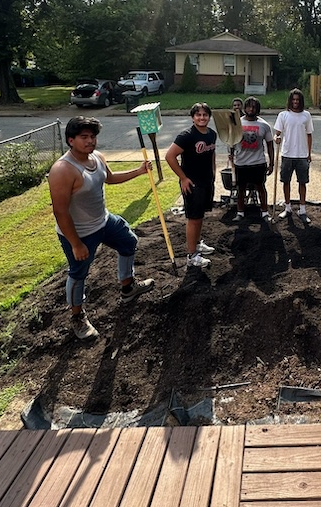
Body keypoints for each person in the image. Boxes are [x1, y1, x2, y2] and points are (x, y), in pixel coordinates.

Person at [48, 116, 155, 341]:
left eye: (93, 136)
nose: (90, 141)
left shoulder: (97, 157)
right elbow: (60, 212)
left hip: (104, 221)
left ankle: (128, 287)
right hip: (79, 233)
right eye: (84, 137)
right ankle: (77, 316)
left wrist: (139, 171)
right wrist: (76, 243)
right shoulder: (62, 170)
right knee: (79, 273)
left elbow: (110, 178)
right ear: (70, 140)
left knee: (129, 242)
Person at [165, 103, 217, 269]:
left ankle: (197, 244)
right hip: (192, 183)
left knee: (200, 216)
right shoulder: (186, 136)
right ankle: (192, 255)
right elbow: (170, 156)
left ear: (209, 117)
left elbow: (212, 154)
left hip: (206, 181)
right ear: (193, 117)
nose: (202, 118)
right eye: (198, 115)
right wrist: (183, 178)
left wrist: (213, 173)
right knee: (193, 218)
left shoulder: (212, 134)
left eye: (205, 115)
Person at [273, 88, 314, 225]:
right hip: (287, 153)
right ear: (290, 101)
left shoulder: (306, 115)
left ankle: (302, 210)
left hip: (302, 155)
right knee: (286, 181)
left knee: (302, 182)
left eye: (297, 100)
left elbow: (309, 134)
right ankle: (288, 207)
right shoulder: (283, 115)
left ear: (301, 101)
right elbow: (277, 133)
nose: (295, 102)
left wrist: (309, 153)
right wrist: (276, 138)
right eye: (293, 100)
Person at [233, 96, 274, 220]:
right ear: (244, 108)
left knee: (261, 187)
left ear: (258, 109)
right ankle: (240, 213)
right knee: (241, 189)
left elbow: (270, 145)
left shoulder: (264, 125)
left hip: (258, 163)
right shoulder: (237, 123)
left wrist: (271, 163)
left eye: (254, 107)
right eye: (249, 106)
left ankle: (264, 212)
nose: (251, 109)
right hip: (241, 162)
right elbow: (230, 140)